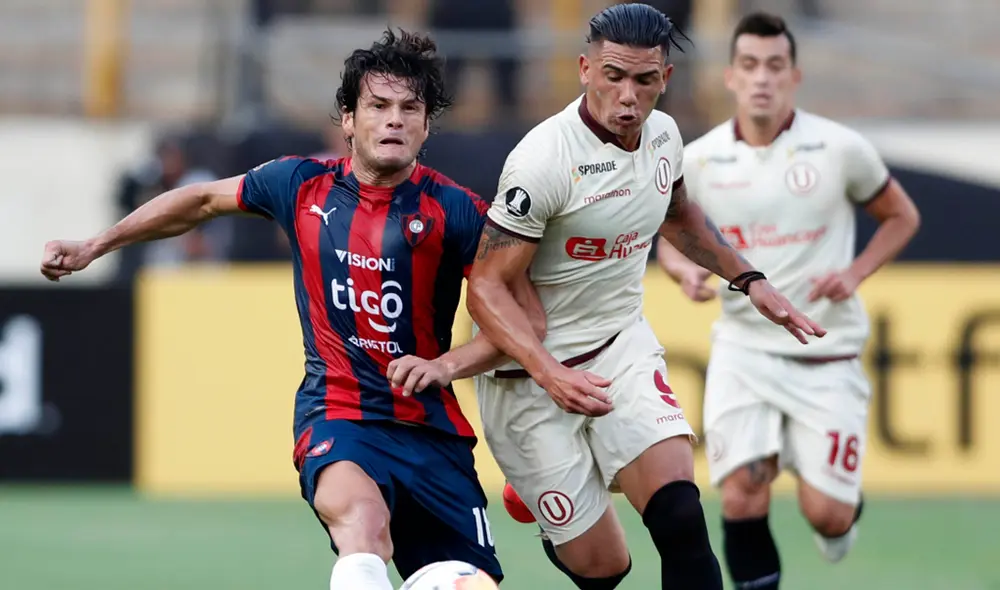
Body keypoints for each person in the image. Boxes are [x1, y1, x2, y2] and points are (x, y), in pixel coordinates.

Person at [40, 29, 545, 590]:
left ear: (427, 126)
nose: (394, 120)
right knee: (364, 528)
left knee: (468, 582)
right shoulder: (300, 184)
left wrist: (446, 365)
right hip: (339, 415)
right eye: (378, 106)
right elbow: (201, 201)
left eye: (410, 109)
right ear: (348, 119)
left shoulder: (460, 212)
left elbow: (523, 325)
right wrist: (96, 245)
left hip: (433, 434)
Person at [460, 4, 823, 590]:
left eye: (644, 79)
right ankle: (553, 504)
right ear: (585, 69)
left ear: (665, 78)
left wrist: (751, 280)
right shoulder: (542, 160)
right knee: (606, 566)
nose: (628, 96)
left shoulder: (664, 136)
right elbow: (486, 287)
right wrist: (550, 372)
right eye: (614, 76)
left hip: (618, 348)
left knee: (681, 516)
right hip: (528, 376)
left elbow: (678, 217)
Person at [655, 12, 920, 589]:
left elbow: (902, 216)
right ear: (730, 76)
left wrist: (854, 273)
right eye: (750, 65)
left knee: (827, 515)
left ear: (794, 76)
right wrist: (682, 272)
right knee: (741, 492)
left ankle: (839, 513)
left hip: (826, 353)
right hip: (743, 352)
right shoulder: (697, 159)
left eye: (775, 66)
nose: (762, 78)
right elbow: (668, 236)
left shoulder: (839, 148)